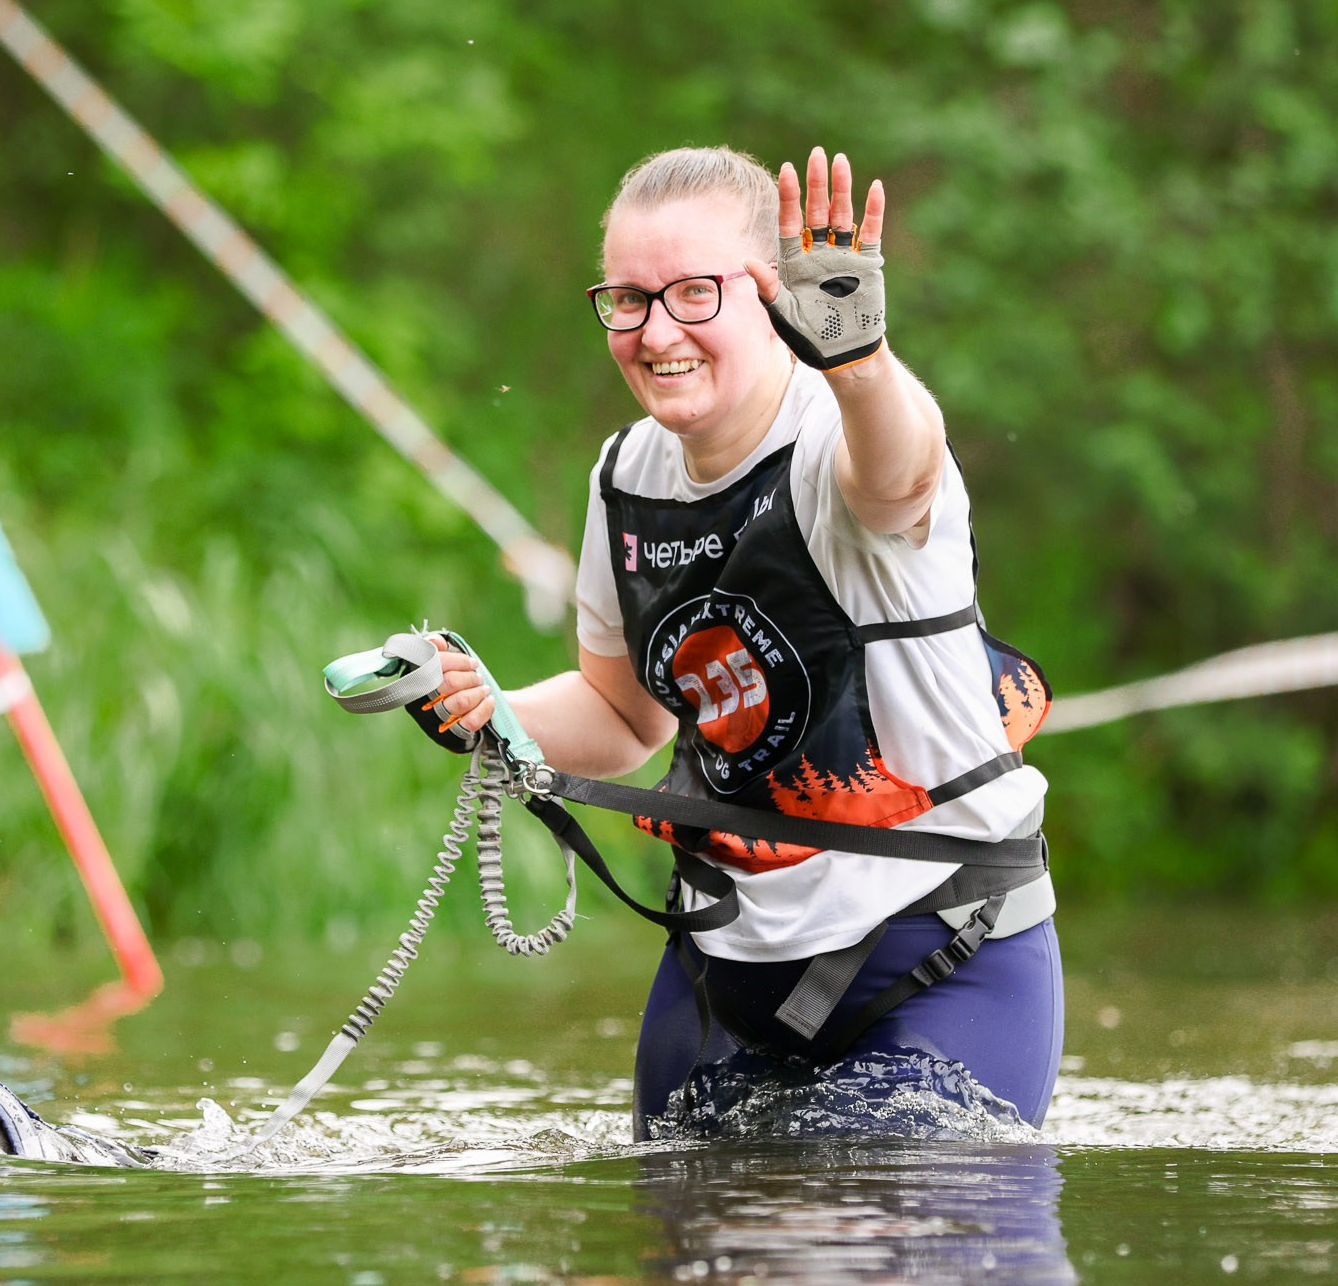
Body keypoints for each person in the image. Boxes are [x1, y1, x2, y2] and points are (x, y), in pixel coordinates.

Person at [424, 145, 1060, 1137]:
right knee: (689, 1263)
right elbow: (618, 713)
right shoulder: (624, 473)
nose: (654, 331)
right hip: (726, 965)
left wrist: (862, 364)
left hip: (938, 956)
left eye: (692, 293)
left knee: (859, 1226)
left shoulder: (838, 438)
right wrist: (487, 709)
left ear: (771, 297)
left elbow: (899, 479)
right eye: (627, 300)